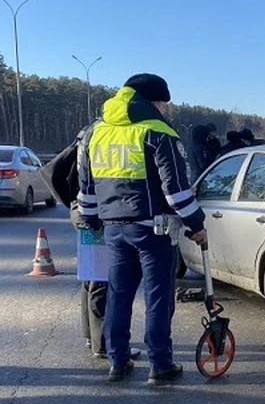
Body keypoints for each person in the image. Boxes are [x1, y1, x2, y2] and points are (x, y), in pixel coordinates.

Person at [77, 73, 207, 384]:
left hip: (113, 230)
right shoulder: (158, 132)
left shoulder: (96, 132)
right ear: (151, 102)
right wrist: (196, 224)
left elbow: (87, 187)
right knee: (158, 298)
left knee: (119, 295)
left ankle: (117, 361)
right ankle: (160, 364)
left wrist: (91, 221)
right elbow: (176, 191)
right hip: (153, 230)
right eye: (164, 103)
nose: (166, 110)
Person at [41, 122, 140, 361]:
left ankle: (91, 335)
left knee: (92, 275)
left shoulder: (86, 134)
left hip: (82, 210)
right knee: (102, 280)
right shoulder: (104, 135)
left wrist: (75, 206)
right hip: (97, 213)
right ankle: (103, 344)